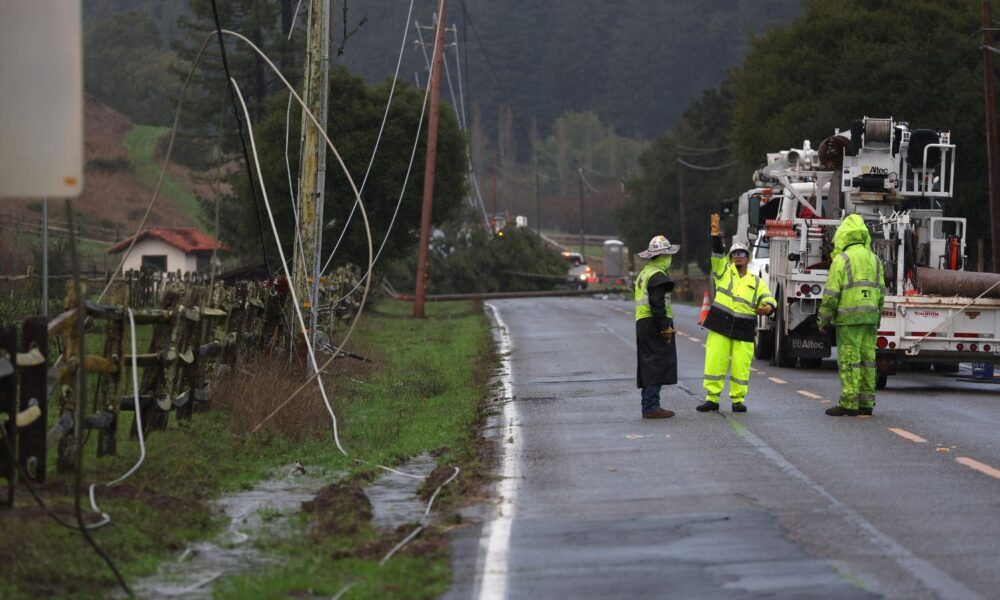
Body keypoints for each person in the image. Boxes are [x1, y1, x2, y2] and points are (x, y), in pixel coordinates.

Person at [697, 214, 776, 413]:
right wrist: (716, 236)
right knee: (714, 362)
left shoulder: (756, 281)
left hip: (743, 329)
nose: (738, 257)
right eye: (735, 255)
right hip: (720, 326)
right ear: (730, 259)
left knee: (741, 367)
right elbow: (717, 255)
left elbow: (768, 297)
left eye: (742, 254)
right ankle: (712, 399)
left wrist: (768, 307)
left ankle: (737, 400)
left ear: (748, 259)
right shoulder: (723, 272)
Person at [816, 214, 885, 416]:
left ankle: (849, 402)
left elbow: (831, 294)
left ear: (843, 236)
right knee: (867, 360)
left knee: (849, 360)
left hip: (849, 318)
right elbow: (881, 291)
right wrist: (877, 316)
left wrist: (823, 319)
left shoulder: (841, 260)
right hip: (870, 317)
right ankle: (866, 402)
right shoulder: (875, 259)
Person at [635, 235, 680, 419]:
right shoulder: (658, 276)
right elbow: (657, 303)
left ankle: (648, 405)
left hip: (643, 323)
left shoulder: (645, 272)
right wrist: (664, 326)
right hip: (654, 323)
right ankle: (652, 406)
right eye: (668, 255)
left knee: (648, 363)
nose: (670, 258)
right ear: (662, 257)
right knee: (656, 363)